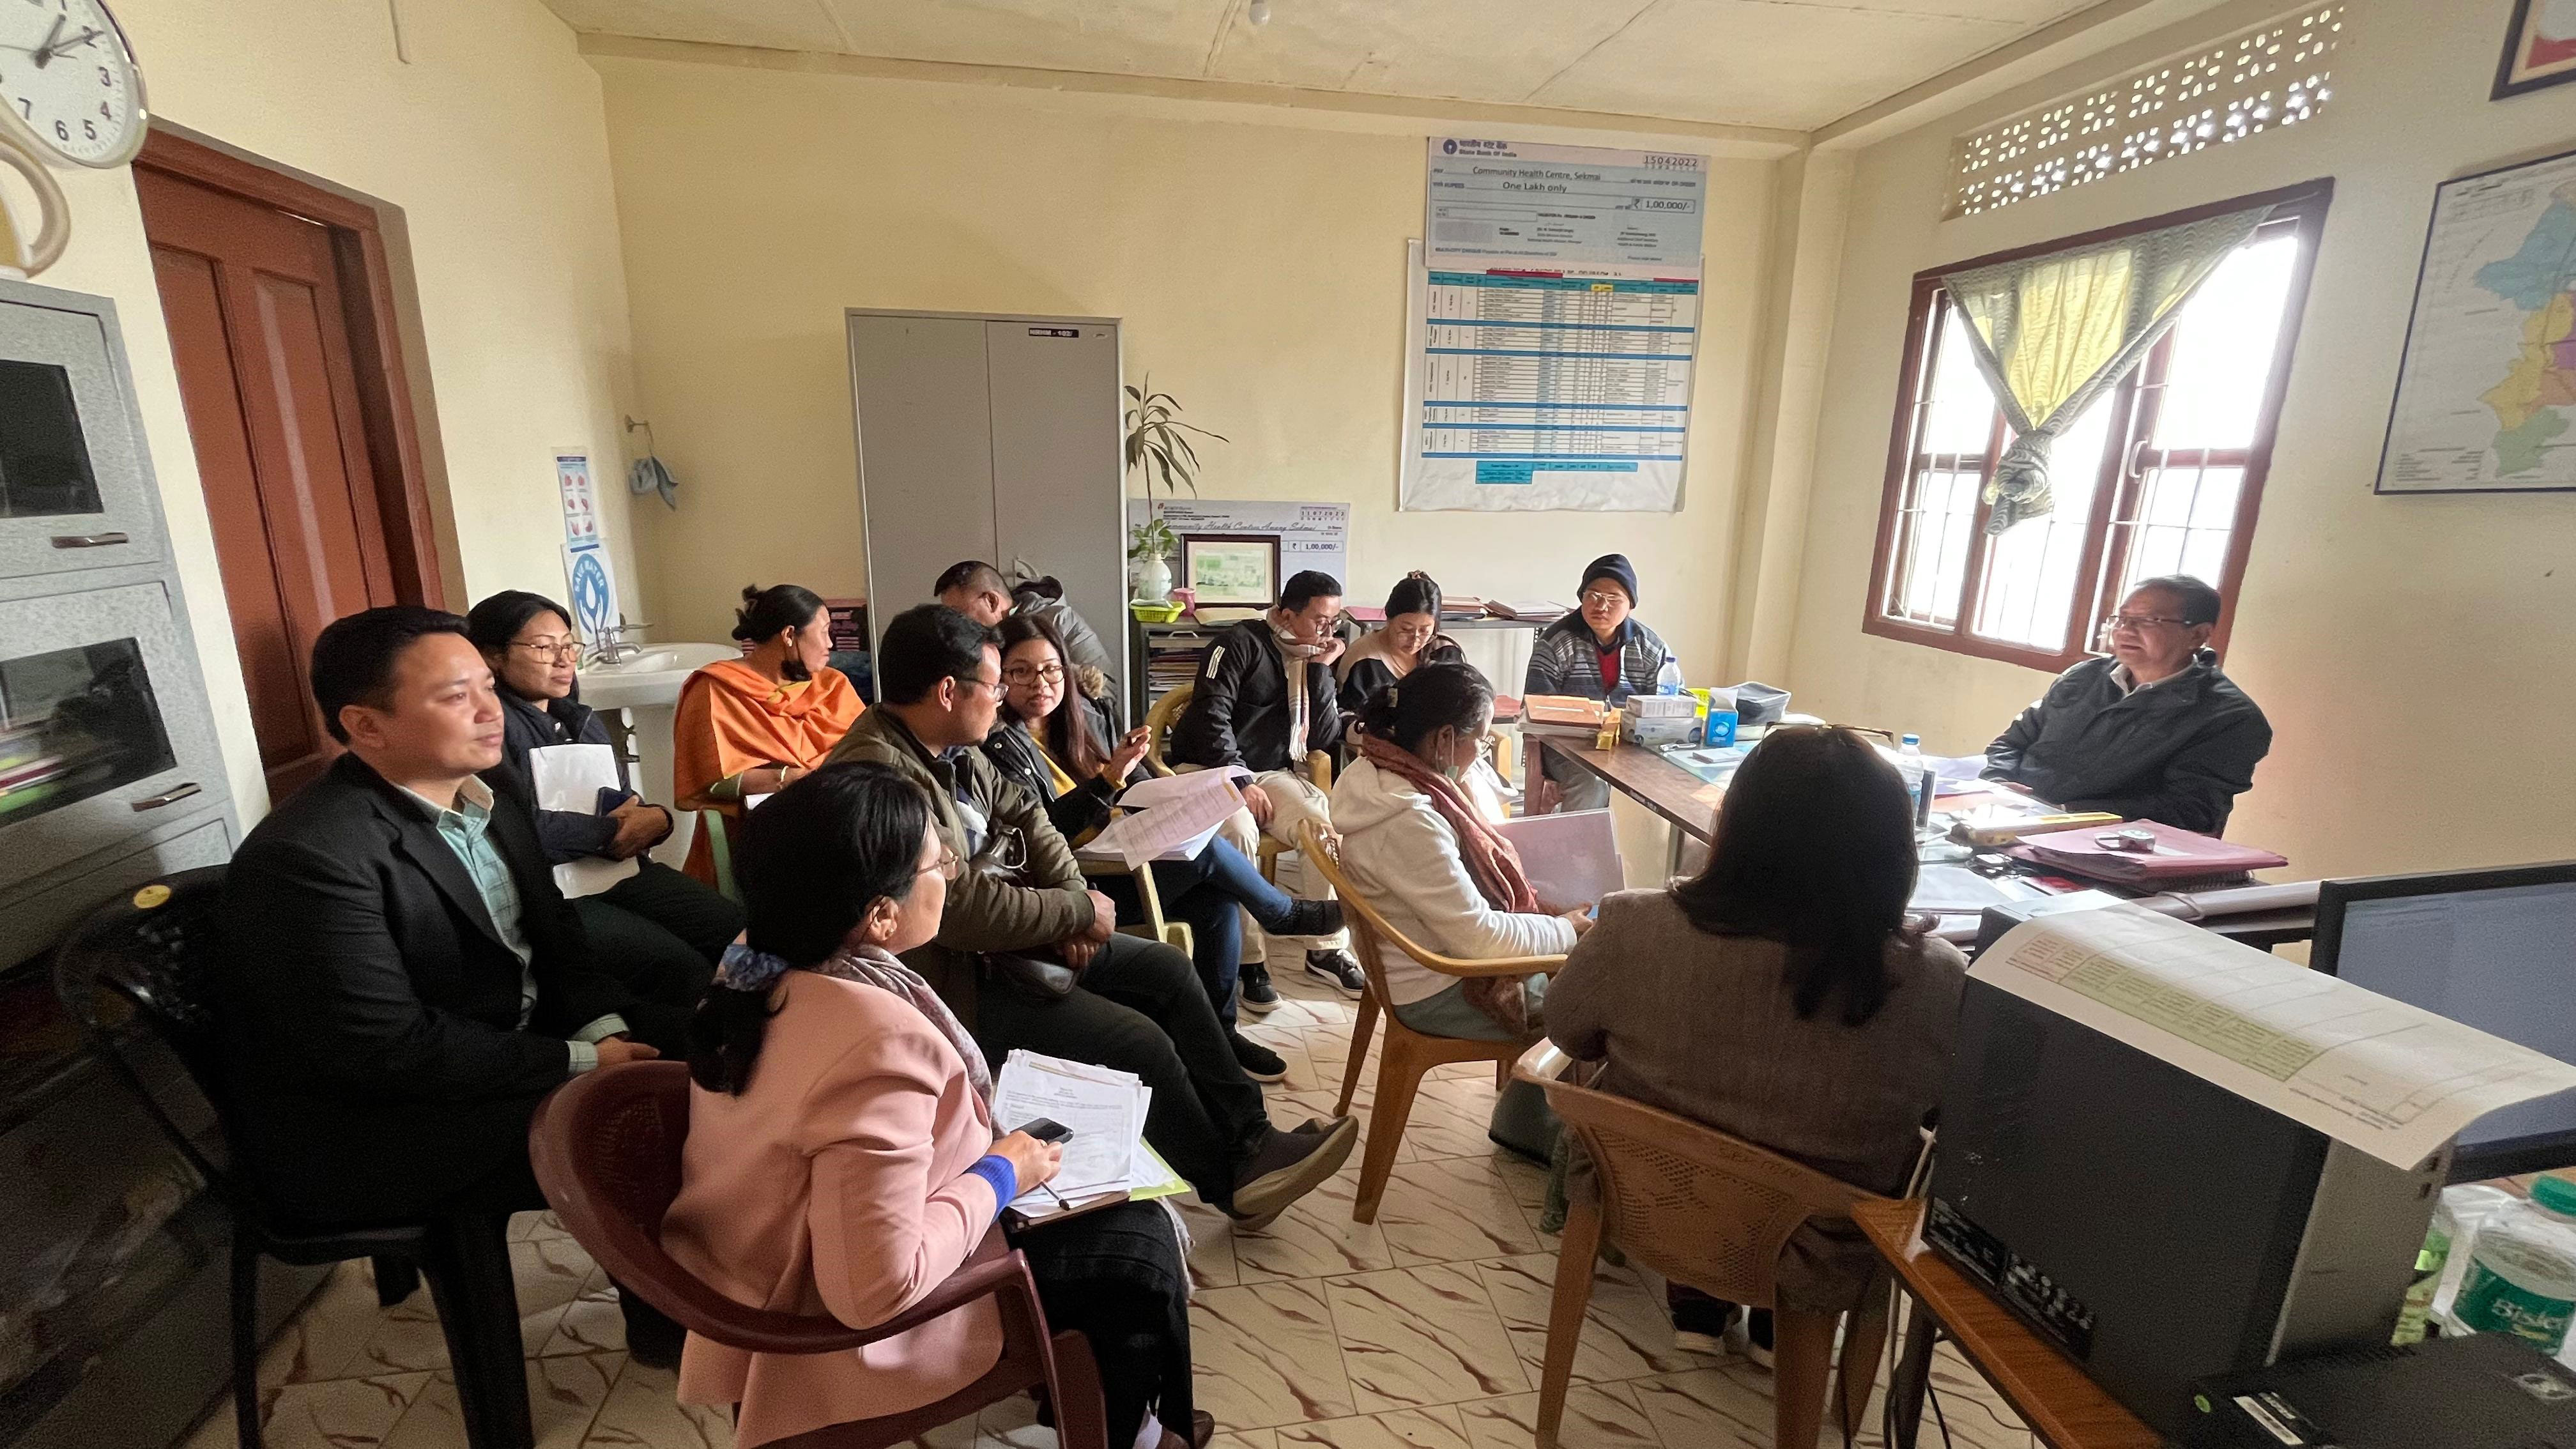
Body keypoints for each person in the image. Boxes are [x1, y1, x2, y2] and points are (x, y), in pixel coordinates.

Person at [661, 762, 1206, 1449]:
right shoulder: (873, 1040)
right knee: (1140, 1249)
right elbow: (876, 1291)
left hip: (760, 1245)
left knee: (1122, 1230)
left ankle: (1122, 1414)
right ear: (881, 914)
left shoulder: (756, 958)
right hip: (818, 1314)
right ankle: (1136, 1431)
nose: (951, 869)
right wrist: (1002, 1172)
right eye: (937, 862)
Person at [216, 607, 694, 1361]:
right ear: (366, 725)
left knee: (717, 1048)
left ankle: (708, 1286)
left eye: (486, 686)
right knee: (635, 1120)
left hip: (491, 1042)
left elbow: (556, 941)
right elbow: (388, 1050)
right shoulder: (310, 857)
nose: (488, 711)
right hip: (376, 1118)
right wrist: (584, 1062)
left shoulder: (486, 788)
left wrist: (607, 1031)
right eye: (454, 695)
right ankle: (670, 1329)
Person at [825, 604, 1354, 1227]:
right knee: (1138, 1039)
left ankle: (1253, 1140)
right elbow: (957, 912)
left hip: (1009, 941)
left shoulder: (949, 746)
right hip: (952, 981)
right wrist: (1074, 910)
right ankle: (1229, 1182)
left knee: (1168, 970)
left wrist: (1078, 909)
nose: (1001, 699)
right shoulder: (881, 776)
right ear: (948, 691)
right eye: (995, 685)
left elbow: (1027, 814)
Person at [1547, 726, 1966, 1382]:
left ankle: (1697, 1299)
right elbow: (1946, 1112)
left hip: (1647, 1202)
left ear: (1733, 828)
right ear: (1894, 853)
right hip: (1817, 1247)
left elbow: (1569, 1031)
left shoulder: (1634, 923)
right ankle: (1780, 1323)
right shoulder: (1935, 979)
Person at [983, 614, 1338, 1082]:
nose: (1040, 684)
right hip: (1083, 884)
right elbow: (1042, 835)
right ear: (999, 679)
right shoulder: (997, 744)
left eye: (1051, 670)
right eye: (1021, 672)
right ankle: (1281, 914)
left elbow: (1134, 789)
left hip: (1126, 856)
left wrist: (1154, 783)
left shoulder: (1085, 716)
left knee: (1215, 897)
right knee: (1207, 855)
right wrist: (1109, 779)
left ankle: (1220, 1034)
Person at [466, 590, 744, 1005]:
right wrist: (610, 832)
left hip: (618, 871)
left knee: (737, 929)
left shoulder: (577, 718)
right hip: (554, 893)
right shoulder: (490, 731)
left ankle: (754, 1028)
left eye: (569, 645)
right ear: (492, 656)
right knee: (676, 966)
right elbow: (514, 829)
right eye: (544, 648)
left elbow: (621, 799)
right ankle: (683, 1042)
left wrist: (658, 819)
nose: (564, 659)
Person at [1331, 663, 1586, 1040]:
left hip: (1423, 963)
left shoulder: (1377, 771)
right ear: (1445, 739)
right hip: (1439, 987)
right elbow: (1478, 938)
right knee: (1598, 1008)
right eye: (1481, 741)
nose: (1481, 754)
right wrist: (1565, 930)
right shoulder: (1410, 821)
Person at [1165, 570, 1366, 1002]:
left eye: (1334, 622)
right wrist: (1238, 778)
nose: (1329, 631)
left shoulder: (1311, 656)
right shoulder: (1238, 643)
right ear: (1287, 615)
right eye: (1320, 621)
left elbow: (1322, 736)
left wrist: (1321, 671)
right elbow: (1211, 715)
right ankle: (1248, 959)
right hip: (1208, 767)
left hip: (1271, 772)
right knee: (1237, 830)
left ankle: (1325, 950)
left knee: (1321, 826)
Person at [1982, 574, 2271, 834]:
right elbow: (2012, 742)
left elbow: (2190, 810)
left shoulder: (2229, 716)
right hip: (2012, 819)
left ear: (2197, 635)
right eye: (2121, 619)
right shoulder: (2084, 676)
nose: (2125, 630)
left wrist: (2064, 813)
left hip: (2102, 842)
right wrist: (1997, 783)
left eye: (2149, 621)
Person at [673, 584, 866, 885]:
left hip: (841, 819)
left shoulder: (833, 687)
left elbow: (865, 754)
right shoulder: (716, 689)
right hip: (756, 833)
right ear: (789, 635)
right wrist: (789, 780)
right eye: (824, 632)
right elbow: (710, 780)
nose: (830, 643)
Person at [1522, 553, 1673, 811]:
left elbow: (1667, 706)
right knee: (1592, 783)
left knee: (1661, 782)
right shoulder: (1556, 642)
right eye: (1593, 595)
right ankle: (1580, 840)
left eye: (1613, 598)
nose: (1601, 606)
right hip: (1567, 749)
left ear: (1631, 605)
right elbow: (1536, 707)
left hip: (1631, 748)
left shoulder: (1649, 647)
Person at [935, 558, 1118, 717]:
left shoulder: (1060, 622)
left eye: (960, 614)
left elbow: (1104, 694)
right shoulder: (973, 641)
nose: (956, 625)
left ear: (991, 601)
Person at [1335, 571, 1469, 717]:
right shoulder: (1363, 660)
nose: (1415, 640)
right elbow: (1348, 718)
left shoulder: (1445, 652)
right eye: (1406, 630)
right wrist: (1365, 730)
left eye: (1424, 631)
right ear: (1389, 620)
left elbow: (1463, 706)